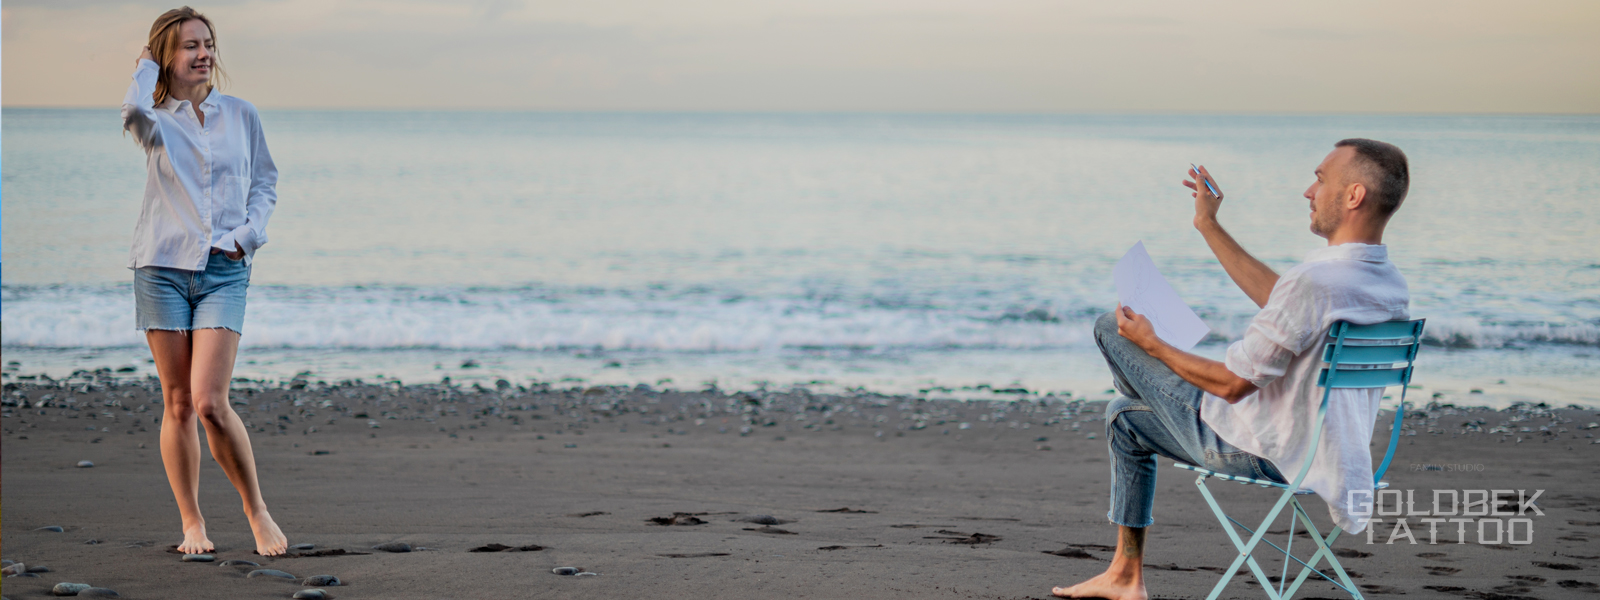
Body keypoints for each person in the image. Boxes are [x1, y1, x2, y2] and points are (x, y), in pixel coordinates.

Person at [1053, 140, 1412, 599]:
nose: (1308, 191)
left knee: (1111, 326)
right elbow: (1281, 298)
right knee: (1124, 420)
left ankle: (1126, 574)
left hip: (1266, 450)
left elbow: (1231, 385)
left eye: (1320, 179)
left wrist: (1152, 344)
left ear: (1353, 196)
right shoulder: (1383, 282)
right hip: (1337, 456)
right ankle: (1123, 575)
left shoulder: (1315, 283)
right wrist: (1207, 224)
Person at [122, 6, 287, 557]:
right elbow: (130, 111)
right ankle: (192, 523)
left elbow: (265, 183)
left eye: (208, 43)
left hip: (224, 269)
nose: (204, 53)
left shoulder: (242, 114)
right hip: (161, 268)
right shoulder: (154, 121)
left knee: (211, 401)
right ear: (167, 56)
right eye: (190, 45)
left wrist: (249, 235)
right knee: (177, 403)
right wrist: (145, 67)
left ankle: (255, 509)